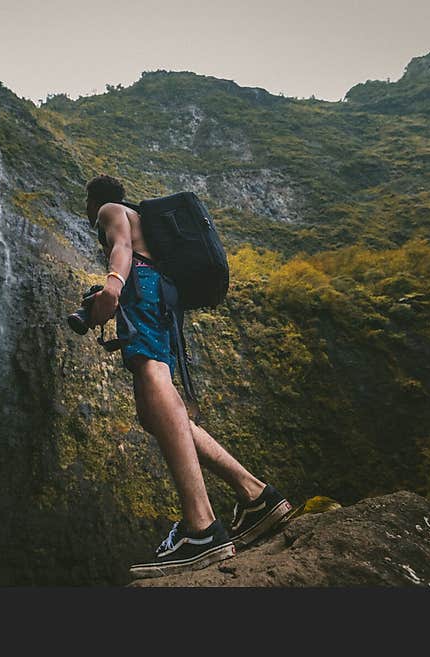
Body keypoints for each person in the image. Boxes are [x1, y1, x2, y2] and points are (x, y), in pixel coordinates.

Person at [83, 174, 292, 579]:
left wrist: (111, 289)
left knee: (153, 381)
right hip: (161, 293)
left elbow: (122, 249)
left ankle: (201, 528)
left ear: (94, 201)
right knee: (153, 411)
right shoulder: (141, 218)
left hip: (140, 286)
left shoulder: (110, 211)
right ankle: (255, 495)